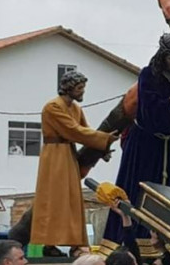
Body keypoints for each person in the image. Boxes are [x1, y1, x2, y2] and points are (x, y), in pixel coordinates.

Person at [103, 32, 170, 244]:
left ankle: (166, 243)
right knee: (139, 194)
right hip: (145, 145)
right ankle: (136, 243)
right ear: (163, 56)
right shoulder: (148, 76)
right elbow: (154, 115)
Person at [30, 69, 119, 251]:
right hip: (54, 156)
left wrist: (103, 148)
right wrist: (104, 139)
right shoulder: (52, 107)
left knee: (72, 199)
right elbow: (74, 131)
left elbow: (86, 130)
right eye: (79, 88)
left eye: (83, 88)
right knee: (54, 197)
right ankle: (49, 243)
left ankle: (74, 242)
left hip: (68, 155)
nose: (82, 92)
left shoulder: (76, 108)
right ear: (68, 88)